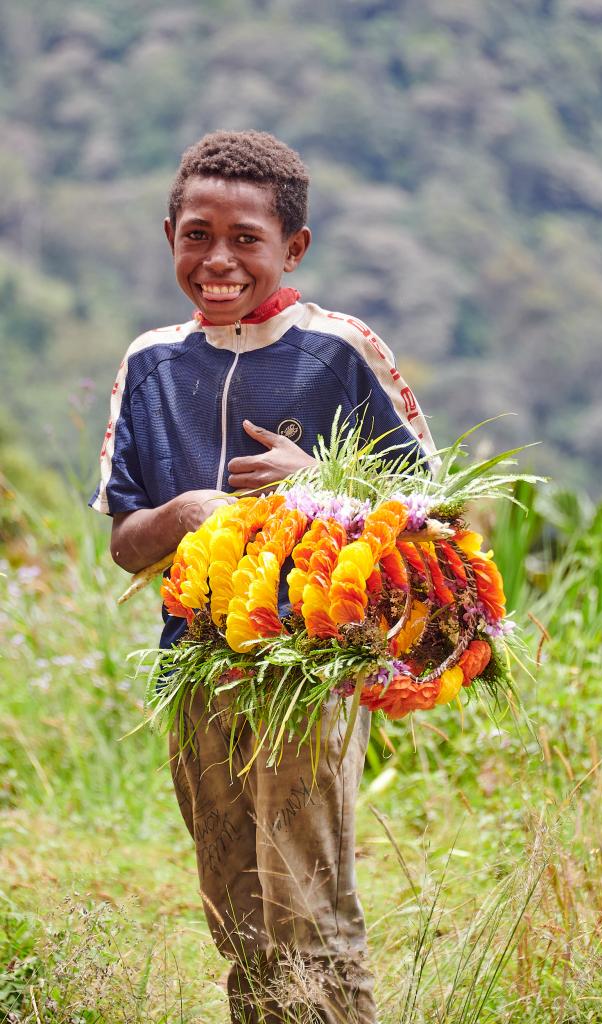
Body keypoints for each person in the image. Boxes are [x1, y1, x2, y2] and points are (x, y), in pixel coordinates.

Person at [91, 130, 436, 1023]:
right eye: (196, 234)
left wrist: (313, 485)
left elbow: (435, 512)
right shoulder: (149, 364)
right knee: (238, 919)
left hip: (307, 667)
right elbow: (128, 541)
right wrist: (183, 516)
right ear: (168, 233)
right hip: (194, 668)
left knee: (309, 913)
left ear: (294, 247)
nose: (218, 260)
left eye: (246, 238)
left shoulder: (341, 350)